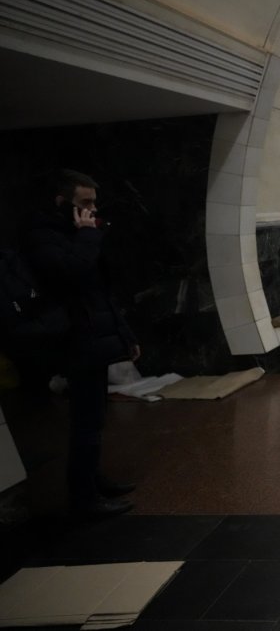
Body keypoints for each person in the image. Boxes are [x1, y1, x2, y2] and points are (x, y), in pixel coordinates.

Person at [23, 169, 140, 519]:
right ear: (62, 203)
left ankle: (94, 480)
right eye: (84, 203)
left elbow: (100, 289)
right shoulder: (42, 237)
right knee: (85, 423)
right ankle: (84, 499)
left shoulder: (77, 234)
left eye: (94, 202)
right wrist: (88, 236)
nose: (92, 210)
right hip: (73, 341)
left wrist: (125, 337)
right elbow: (72, 272)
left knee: (95, 418)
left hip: (94, 336)